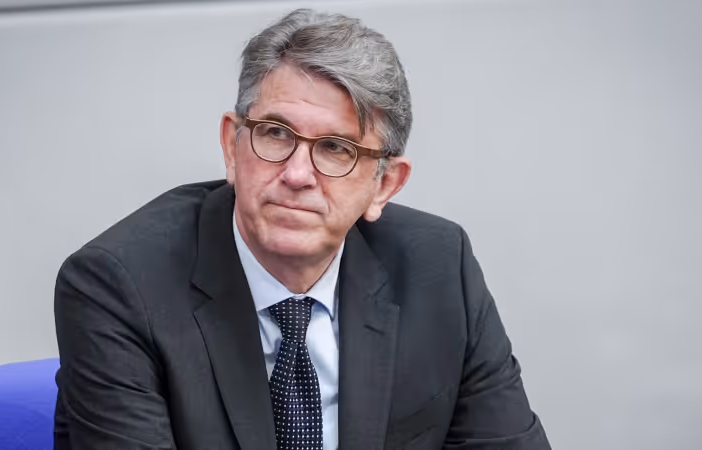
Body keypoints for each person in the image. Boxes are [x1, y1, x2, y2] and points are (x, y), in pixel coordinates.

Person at [53, 8, 550, 450]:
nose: (296, 175)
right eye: (276, 133)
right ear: (232, 146)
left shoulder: (439, 267)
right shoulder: (119, 286)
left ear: (384, 185)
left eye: (336, 148)